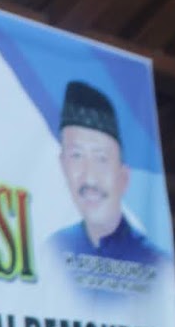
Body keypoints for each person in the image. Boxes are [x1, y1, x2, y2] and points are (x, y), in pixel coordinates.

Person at [48, 81, 166, 295]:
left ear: (124, 177)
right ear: (62, 165)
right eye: (76, 156)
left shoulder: (158, 267)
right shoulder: (51, 252)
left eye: (101, 158)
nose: (89, 177)